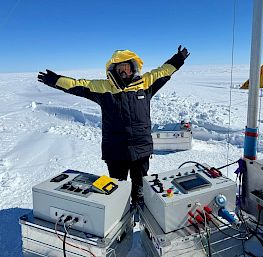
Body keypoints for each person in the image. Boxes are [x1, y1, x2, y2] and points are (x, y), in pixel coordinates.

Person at [38, 46, 189, 207]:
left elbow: (163, 72)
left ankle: (140, 209)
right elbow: (76, 85)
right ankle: (120, 214)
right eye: (120, 69)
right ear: (113, 71)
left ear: (134, 68)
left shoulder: (145, 84)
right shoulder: (104, 88)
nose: (124, 72)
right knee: (118, 188)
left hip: (141, 147)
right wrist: (55, 80)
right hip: (116, 150)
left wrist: (178, 59)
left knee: (140, 186)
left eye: (127, 68)